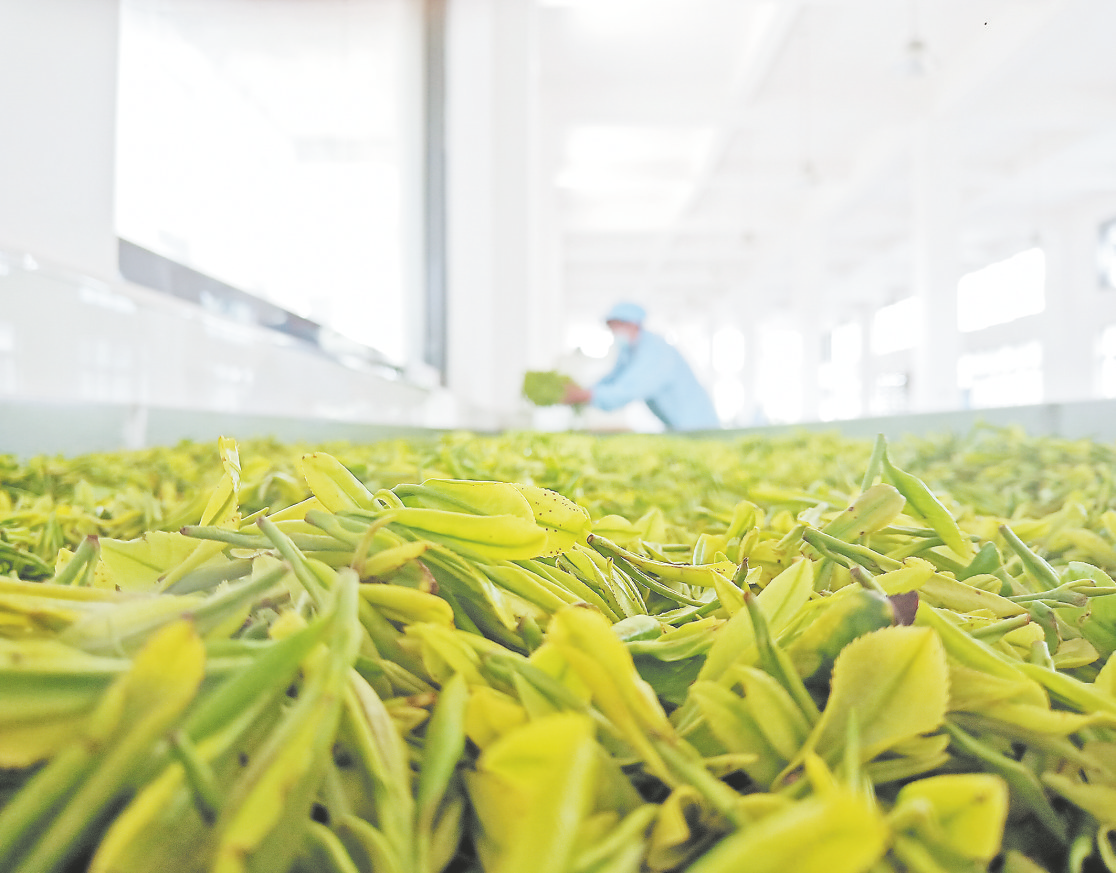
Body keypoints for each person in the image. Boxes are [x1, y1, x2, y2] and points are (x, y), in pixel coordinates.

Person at [562, 302, 720, 431]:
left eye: (616, 327)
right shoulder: (630, 351)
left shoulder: (655, 351)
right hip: (679, 427)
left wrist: (586, 396)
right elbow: (614, 378)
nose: (614, 333)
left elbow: (628, 390)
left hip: (699, 426)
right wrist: (585, 390)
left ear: (633, 324)